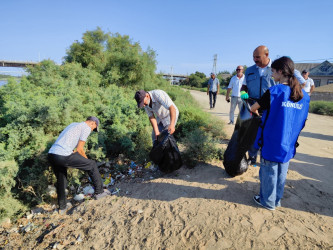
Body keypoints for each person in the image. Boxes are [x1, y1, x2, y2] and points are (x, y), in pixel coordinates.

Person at [250, 56, 310, 211]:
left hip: (271, 140)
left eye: (273, 71)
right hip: (289, 142)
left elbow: (253, 109)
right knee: (282, 172)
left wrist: (260, 115)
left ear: (281, 71)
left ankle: (267, 202)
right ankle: (276, 200)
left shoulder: (274, 91)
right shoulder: (303, 96)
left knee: (269, 171)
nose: (271, 74)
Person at [240, 45, 306, 165]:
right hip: (254, 104)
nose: (255, 59)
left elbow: (297, 87)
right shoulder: (249, 70)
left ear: (266, 55)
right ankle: (252, 158)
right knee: (252, 133)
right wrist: (243, 92)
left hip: (272, 107)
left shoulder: (279, 68)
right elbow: (244, 86)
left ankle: (266, 158)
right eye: (253, 57)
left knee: (269, 132)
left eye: (257, 57)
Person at [48, 116, 110, 215]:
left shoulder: (73, 125)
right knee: (92, 164)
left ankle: (62, 208)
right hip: (63, 155)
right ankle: (99, 192)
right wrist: (86, 162)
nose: (92, 130)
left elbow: (66, 140)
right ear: (92, 123)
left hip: (52, 154)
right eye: (94, 128)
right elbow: (80, 149)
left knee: (61, 179)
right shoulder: (85, 127)